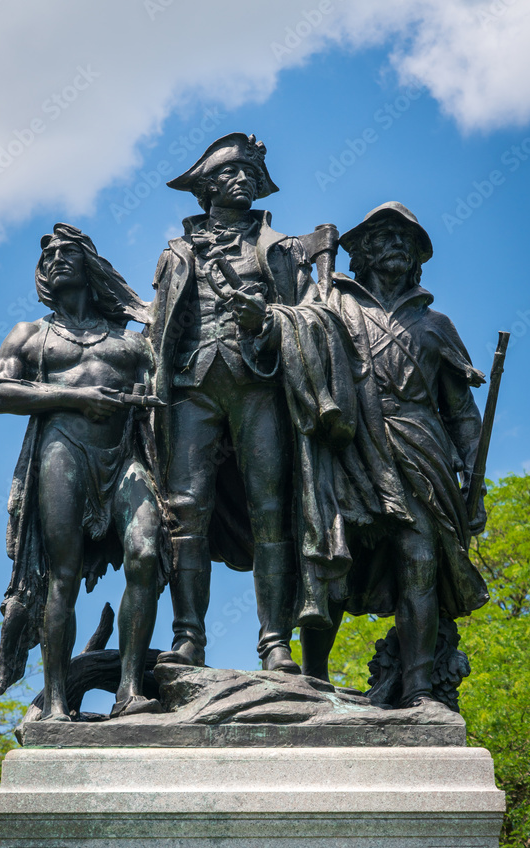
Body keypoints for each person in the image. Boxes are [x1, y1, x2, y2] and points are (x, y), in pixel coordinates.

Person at [148, 132, 351, 672]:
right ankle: (188, 637)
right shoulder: (177, 252)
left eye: (249, 175)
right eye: (230, 174)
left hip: (259, 383)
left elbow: (315, 317)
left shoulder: (281, 250)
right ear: (208, 187)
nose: (243, 182)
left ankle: (274, 640)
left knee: (271, 509)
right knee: (186, 510)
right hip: (193, 387)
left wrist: (267, 320)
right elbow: (159, 330)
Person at [300, 202, 489, 707]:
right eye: (383, 237)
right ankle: (311, 680)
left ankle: (421, 688)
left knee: (420, 561)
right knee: (335, 560)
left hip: (421, 449)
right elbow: (294, 343)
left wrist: (474, 476)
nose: (396, 246)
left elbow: (463, 414)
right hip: (351, 443)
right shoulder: (332, 305)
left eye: (406, 240)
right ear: (360, 251)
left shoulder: (436, 325)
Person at [0, 224, 170, 720]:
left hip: (124, 456)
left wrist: (144, 401)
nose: (54, 257)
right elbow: (0, 395)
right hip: (61, 451)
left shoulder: (133, 342)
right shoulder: (29, 334)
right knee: (60, 577)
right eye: (47, 253)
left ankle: (129, 689)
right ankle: (53, 702)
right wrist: (74, 397)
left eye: (67, 251)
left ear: (90, 265)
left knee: (146, 552)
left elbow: (163, 403)